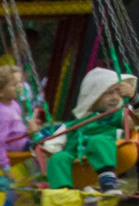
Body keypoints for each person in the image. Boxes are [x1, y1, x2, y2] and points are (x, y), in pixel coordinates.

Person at [46, 65, 126, 194]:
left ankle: (108, 182)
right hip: (76, 163)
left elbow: (134, 119)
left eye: (118, 92)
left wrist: (133, 97)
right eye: (109, 93)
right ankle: (62, 193)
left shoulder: (118, 115)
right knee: (58, 158)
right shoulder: (73, 124)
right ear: (94, 97)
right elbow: (52, 143)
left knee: (98, 140)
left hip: (105, 156)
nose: (115, 97)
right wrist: (44, 147)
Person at [0, 62, 33, 188]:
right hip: (16, 146)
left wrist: (29, 130)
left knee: (53, 135)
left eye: (20, 82)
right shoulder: (2, 114)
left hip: (21, 139)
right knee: (49, 146)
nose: (20, 86)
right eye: (14, 84)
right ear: (0, 92)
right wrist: (6, 168)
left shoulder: (13, 104)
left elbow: (16, 127)